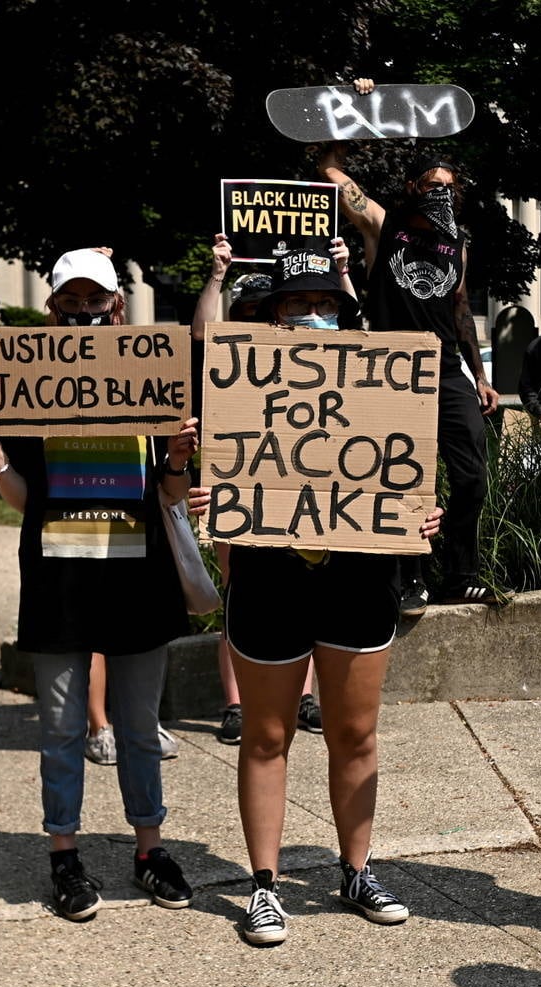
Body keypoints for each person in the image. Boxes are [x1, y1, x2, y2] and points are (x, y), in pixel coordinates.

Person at [216, 248, 444, 946]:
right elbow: (216, 469)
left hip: (356, 578)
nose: (313, 317)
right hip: (268, 577)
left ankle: (356, 868)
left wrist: (421, 513)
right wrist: (204, 488)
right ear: (271, 313)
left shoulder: (382, 384)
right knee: (267, 734)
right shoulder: (239, 385)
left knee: (354, 732)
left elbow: (408, 472)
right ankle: (264, 884)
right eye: (296, 305)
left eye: (325, 305)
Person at [0, 247, 197, 924]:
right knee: (62, 727)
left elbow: (171, 492)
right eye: (73, 301)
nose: (87, 312)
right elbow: (23, 499)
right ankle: (64, 854)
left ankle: (149, 849)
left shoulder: (153, 378)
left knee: (140, 727)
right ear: (54, 309)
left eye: (98, 301)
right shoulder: (28, 385)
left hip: (138, 581)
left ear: (117, 307)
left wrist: (178, 458)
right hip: (59, 579)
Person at [318, 79, 501, 616]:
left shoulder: (457, 245)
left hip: (446, 370)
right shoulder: (384, 225)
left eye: (448, 185)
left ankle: (460, 572)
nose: (440, 191)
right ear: (412, 188)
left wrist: (481, 376)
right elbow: (332, 174)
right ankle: (410, 577)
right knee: (404, 475)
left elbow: (461, 310)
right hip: (394, 369)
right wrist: (352, 111)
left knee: (470, 475)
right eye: (430, 184)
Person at [189, 234, 331, 745]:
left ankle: (306, 695)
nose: (251, 320)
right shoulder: (228, 363)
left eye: (259, 310)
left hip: (307, 485)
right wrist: (217, 274)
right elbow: (202, 337)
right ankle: (236, 704)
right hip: (243, 484)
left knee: (309, 585)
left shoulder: (315, 347)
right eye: (242, 311)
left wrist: (341, 270)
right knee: (237, 588)